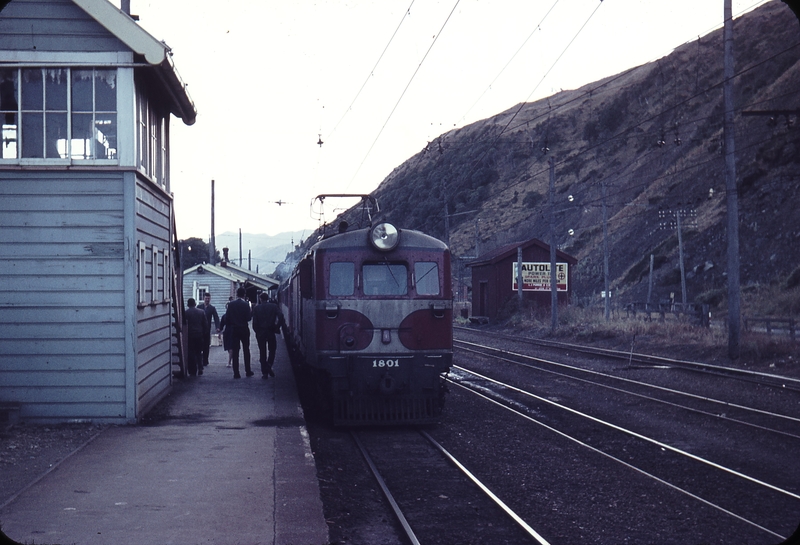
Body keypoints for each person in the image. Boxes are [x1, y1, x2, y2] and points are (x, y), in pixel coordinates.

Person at [251, 292, 285, 379]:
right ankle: (269, 365)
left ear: (260, 299)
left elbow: (254, 322)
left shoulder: (256, 308)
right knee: (272, 350)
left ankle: (264, 373)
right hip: (271, 331)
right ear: (268, 298)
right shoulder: (273, 306)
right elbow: (281, 315)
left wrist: (257, 331)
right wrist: (277, 327)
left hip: (261, 332)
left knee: (262, 352)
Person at [225, 287, 253, 378]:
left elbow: (227, 318)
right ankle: (248, 371)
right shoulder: (246, 305)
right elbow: (249, 318)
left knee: (235, 352)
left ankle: (236, 373)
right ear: (244, 294)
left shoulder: (231, 304)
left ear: (236, 294)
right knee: (246, 350)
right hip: (244, 329)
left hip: (234, 330)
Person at [183, 298, 209, 377]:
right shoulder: (201, 312)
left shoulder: (186, 313)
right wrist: (205, 333)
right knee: (199, 352)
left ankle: (193, 370)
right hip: (199, 334)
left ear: (188, 304)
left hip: (190, 335)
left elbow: (184, 324)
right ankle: (200, 367)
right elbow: (205, 324)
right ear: (195, 304)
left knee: (191, 352)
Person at [198, 293, 221, 367]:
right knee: (199, 345)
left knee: (206, 345)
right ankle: (199, 360)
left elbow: (216, 317)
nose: (207, 300)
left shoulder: (212, 308)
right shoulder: (199, 307)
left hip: (207, 329)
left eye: (208, 299)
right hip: (199, 329)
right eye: (206, 298)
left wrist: (218, 327)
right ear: (204, 298)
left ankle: (205, 360)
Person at [220, 297, 235, 368]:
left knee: (230, 347)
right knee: (229, 348)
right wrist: (219, 330)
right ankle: (230, 360)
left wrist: (220, 330)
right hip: (228, 332)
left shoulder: (225, 316)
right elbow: (221, 325)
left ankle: (229, 361)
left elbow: (221, 325)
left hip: (230, 331)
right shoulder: (225, 316)